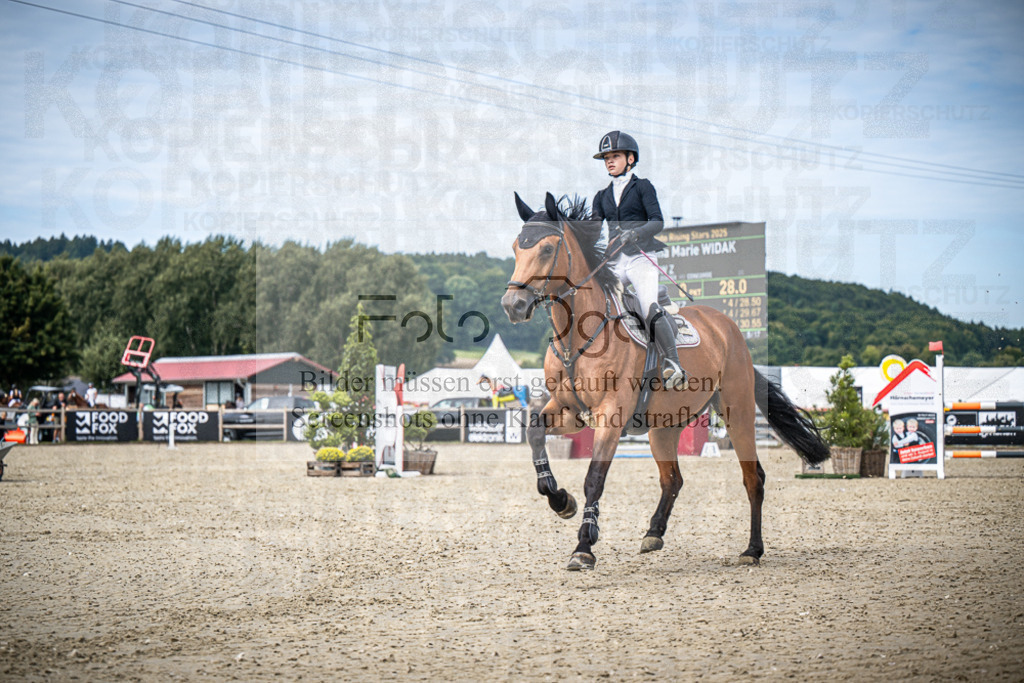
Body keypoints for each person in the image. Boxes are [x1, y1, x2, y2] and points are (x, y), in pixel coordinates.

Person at [591, 130, 684, 389]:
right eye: (606, 158)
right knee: (595, 303)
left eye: (615, 156)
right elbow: (593, 229)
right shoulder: (601, 196)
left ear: (630, 159)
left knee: (647, 307)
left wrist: (637, 232)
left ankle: (673, 363)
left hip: (640, 257)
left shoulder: (643, 186)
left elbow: (657, 221)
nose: (610, 161)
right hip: (614, 261)